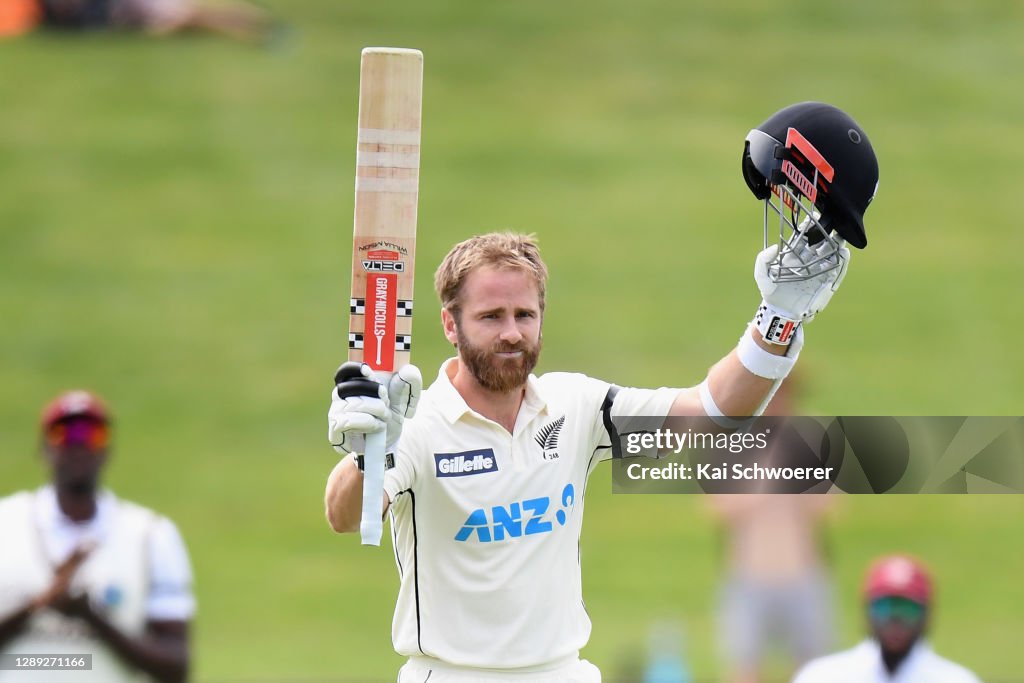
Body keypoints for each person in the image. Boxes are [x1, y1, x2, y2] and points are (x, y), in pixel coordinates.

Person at [324, 101, 880, 681]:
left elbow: (715, 412)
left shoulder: (576, 407)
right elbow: (345, 515)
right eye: (490, 316)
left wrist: (779, 319)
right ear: (450, 324)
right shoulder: (419, 424)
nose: (512, 332)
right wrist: (373, 448)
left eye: (524, 313)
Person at [0, 390, 194, 682]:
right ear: (43, 448)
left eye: (93, 433)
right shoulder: (6, 523)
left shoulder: (150, 535)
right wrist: (35, 606)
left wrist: (93, 618)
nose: (78, 443)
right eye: (63, 433)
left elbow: (175, 666)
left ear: (108, 449)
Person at [707, 375, 838, 683]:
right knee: (744, 668)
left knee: (812, 669)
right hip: (748, 570)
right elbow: (718, 508)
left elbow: (828, 507)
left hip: (803, 569)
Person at [792, 555, 982, 683]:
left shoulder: (957, 679)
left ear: (927, 616)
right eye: (884, 608)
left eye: (907, 609)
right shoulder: (822, 677)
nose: (895, 621)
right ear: (867, 612)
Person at [0, 0, 278, 42]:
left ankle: (263, 27)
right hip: (127, 13)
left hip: (131, 8)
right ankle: (262, 28)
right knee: (190, 19)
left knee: (192, 17)